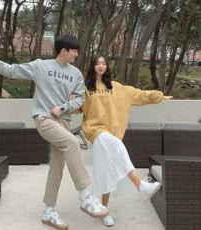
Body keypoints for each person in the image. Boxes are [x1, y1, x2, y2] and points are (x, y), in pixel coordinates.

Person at [0, 35, 109, 230]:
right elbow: (13, 70)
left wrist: (63, 107)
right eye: (74, 50)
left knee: (57, 167)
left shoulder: (76, 74)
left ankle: (49, 211)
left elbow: (79, 99)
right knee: (72, 142)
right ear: (63, 51)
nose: (77, 54)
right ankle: (86, 195)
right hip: (44, 118)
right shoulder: (40, 66)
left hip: (63, 121)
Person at [72, 53, 173, 227]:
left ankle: (103, 209)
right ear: (92, 67)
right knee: (115, 146)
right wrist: (70, 101)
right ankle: (140, 185)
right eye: (97, 63)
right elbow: (75, 109)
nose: (101, 66)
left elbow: (139, 95)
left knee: (106, 173)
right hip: (96, 131)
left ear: (107, 66)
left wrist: (158, 96)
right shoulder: (86, 88)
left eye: (104, 63)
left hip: (113, 134)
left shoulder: (117, 87)